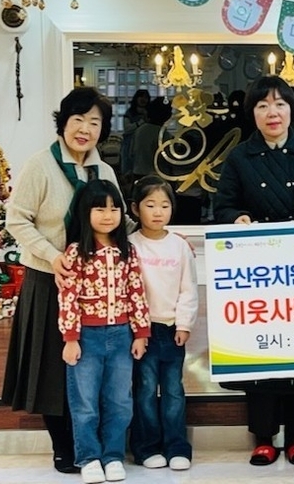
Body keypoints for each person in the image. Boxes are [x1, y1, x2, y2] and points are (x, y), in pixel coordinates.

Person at [213, 75, 294, 466]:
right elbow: (223, 207)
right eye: (263, 105)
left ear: (292, 109)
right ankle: (264, 436)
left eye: (280, 104)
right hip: (259, 272)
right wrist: (238, 218)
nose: (273, 112)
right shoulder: (239, 157)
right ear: (252, 113)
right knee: (261, 351)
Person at [1, 87, 131, 474]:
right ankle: (63, 446)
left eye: (95, 122)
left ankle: (95, 443)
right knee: (55, 368)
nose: (85, 129)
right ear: (63, 123)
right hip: (49, 280)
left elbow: (120, 221)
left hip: (97, 288)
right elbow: (16, 219)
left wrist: (161, 238)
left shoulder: (104, 172)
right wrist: (52, 255)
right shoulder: (41, 165)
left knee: (92, 371)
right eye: (78, 119)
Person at [58, 179, 150, 484]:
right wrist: (71, 339)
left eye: (114, 209)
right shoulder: (76, 252)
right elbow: (68, 297)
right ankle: (88, 457)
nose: (108, 215)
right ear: (85, 212)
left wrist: (141, 333)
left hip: (122, 336)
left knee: (120, 401)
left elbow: (136, 292)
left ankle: (113, 456)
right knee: (85, 403)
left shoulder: (127, 251)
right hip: (86, 337)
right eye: (100, 208)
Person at [128, 176, 198, 471]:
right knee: (144, 390)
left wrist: (184, 324)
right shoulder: (130, 245)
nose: (158, 212)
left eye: (165, 205)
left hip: (171, 330)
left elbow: (188, 287)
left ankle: (177, 446)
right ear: (135, 208)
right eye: (150, 205)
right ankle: (146, 448)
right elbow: (128, 291)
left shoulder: (179, 246)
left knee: (173, 391)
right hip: (141, 331)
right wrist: (137, 329)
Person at [130, 97, 172, 181]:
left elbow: (131, 153)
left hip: (138, 173)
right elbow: (168, 159)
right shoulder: (164, 134)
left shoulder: (139, 130)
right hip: (158, 176)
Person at [121, 89, 150, 175]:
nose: (143, 99)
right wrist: (140, 122)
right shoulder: (130, 112)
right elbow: (127, 128)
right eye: (141, 97)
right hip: (129, 143)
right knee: (128, 167)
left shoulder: (150, 113)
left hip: (144, 144)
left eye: (146, 97)